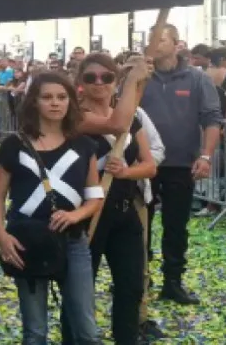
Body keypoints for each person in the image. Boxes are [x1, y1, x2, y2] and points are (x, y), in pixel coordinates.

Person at [0, 71, 103, 345]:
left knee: (86, 329)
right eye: (47, 97)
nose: (55, 103)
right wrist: (2, 237)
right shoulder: (13, 145)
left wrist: (76, 215)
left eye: (62, 97)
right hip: (26, 240)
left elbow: (95, 196)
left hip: (73, 241)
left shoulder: (85, 145)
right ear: (35, 103)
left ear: (70, 102)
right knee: (35, 330)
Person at [73, 54, 158, 345]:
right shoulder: (75, 116)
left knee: (131, 287)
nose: (99, 83)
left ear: (114, 81)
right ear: (80, 83)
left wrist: (125, 171)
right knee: (82, 287)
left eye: (107, 77)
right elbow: (114, 124)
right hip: (88, 214)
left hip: (124, 210)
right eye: (91, 77)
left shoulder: (133, 117)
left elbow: (150, 165)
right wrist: (132, 82)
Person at [139, 24, 222, 306]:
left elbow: (212, 119)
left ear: (176, 45)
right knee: (140, 224)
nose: (154, 44)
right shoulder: (140, 77)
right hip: (143, 163)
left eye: (161, 39)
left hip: (179, 163)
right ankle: (139, 277)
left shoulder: (197, 79)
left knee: (176, 226)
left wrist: (206, 155)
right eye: (151, 39)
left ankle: (172, 281)